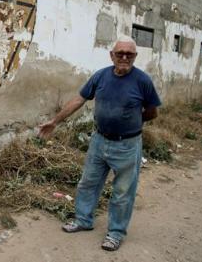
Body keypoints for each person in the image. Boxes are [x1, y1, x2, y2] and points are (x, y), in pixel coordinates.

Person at [38, 36, 161, 251]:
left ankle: (115, 233)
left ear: (135, 56)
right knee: (88, 183)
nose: (124, 57)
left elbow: (152, 112)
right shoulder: (101, 76)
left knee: (123, 192)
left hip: (127, 145)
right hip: (99, 141)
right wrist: (55, 121)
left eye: (129, 54)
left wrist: (130, 122)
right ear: (111, 55)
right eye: (120, 53)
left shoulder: (143, 81)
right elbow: (79, 99)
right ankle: (83, 220)